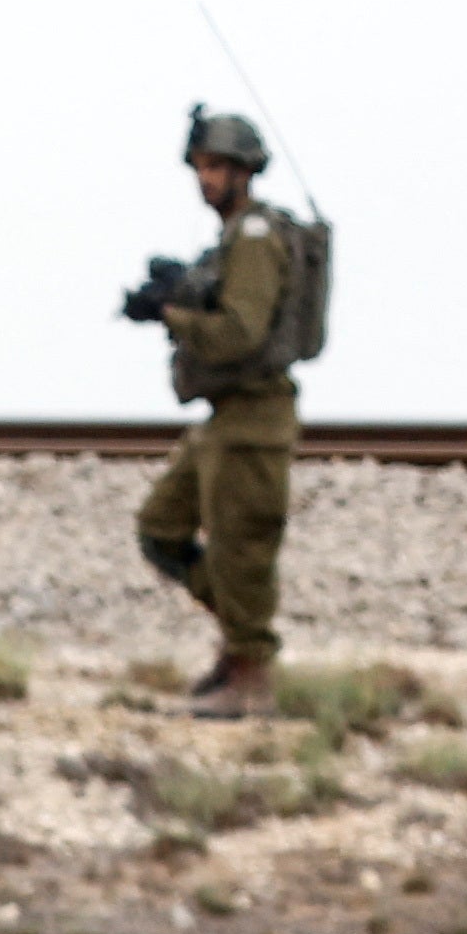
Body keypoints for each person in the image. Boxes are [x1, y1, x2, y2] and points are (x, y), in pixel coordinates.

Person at [128, 105, 302, 719]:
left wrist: (173, 317)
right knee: (161, 528)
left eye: (218, 167)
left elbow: (241, 332)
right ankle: (241, 645)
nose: (207, 179)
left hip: (255, 419)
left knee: (241, 549)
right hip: (225, 417)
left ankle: (251, 671)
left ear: (244, 171)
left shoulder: (256, 239)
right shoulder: (234, 239)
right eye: (201, 167)